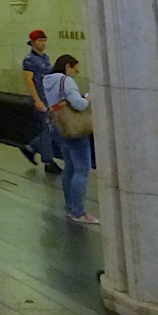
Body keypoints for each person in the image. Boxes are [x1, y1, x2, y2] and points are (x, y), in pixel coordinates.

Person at [44, 54, 97, 224]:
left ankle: (69, 207)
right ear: (68, 66)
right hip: (74, 129)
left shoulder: (48, 80)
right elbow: (79, 104)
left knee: (69, 168)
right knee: (82, 170)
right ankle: (78, 211)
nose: (75, 72)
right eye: (75, 68)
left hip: (59, 128)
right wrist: (88, 98)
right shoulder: (65, 81)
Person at [20, 30, 61, 174]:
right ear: (32, 43)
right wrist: (37, 100)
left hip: (48, 98)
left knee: (51, 129)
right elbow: (28, 80)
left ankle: (30, 148)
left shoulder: (46, 58)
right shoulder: (29, 60)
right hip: (40, 99)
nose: (42, 43)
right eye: (39, 40)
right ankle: (48, 162)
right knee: (47, 130)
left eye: (44, 40)